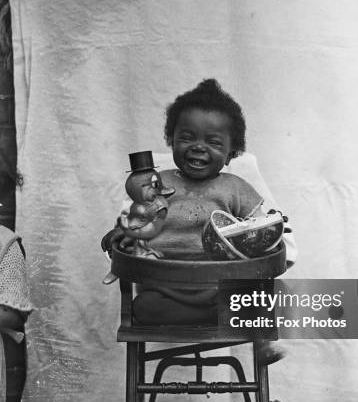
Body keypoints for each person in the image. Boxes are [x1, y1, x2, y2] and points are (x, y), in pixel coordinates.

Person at [102, 79, 294, 362]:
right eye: (187, 138)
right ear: (171, 141)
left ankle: (263, 342)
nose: (198, 147)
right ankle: (230, 316)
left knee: (281, 293)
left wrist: (271, 232)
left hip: (226, 288)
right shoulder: (155, 185)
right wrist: (118, 237)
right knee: (144, 307)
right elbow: (131, 224)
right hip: (168, 291)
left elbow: (261, 225)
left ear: (232, 153)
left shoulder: (236, 187)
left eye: (213, 142)